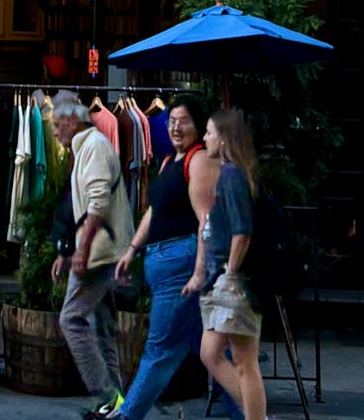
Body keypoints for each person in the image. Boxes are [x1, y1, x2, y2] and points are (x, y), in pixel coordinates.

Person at [113, 93, 242, 420]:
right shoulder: (171, 161)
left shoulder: (198, 160)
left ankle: (128, 415)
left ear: (198, 125)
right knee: (214, 353)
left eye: (183, 121)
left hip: (181, 267)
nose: (175, 127)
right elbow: (154, 212)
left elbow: (206, 221)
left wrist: (199, 272)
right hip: (166, 264)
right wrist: (132, 249)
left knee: (160, 351)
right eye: (171, 121)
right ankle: (252, 414)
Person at [51, 87, 134, 420]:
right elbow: (83, 207)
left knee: (71, 319)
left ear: (72, 120)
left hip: (99, 251)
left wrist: (81, 253)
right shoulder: (88, 147)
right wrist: (67, 249)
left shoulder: (94, 148)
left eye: (57, 124)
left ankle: (107, 396)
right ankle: (116, 405)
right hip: (103, 248)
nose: (54, 131)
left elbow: (97, 203)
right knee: (102, 328)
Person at [185, 108, 267, 420]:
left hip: (233, 280)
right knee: (211, 353)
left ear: (224, 137)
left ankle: (256, 416)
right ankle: (255, 413)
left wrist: (230, 272)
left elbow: (241, 231)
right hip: (224, 279)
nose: (204, 137)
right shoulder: (231, 172)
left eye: (209, 132)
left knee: (245, 362)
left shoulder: (232, 174)